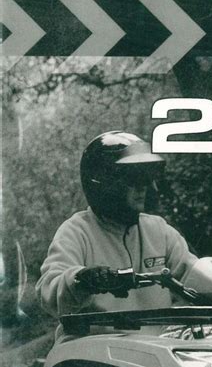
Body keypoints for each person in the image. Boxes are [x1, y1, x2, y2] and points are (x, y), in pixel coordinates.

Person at [36, 131, 197, 335]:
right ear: (104, 182)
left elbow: (195, 276)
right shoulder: (76, 232)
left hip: (155, 350)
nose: (143, 187)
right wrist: (82, 279)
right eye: (133, 178)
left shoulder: (159, 230)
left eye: (146, 177)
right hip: (94, 348)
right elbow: (49, 289)